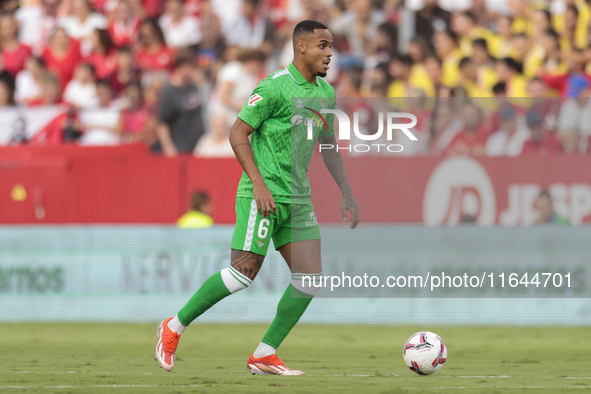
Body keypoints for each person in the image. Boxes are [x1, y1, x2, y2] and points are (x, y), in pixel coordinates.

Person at [155, 20, 360, 375]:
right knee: (241, 274)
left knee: (309, 278)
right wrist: (258, 182)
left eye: (331, 47)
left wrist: (346, 190)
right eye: (323, 46)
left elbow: (328, 146)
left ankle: (264, 353)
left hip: (298, 200)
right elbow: (238, 132)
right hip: (261, 195)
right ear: (301, 47)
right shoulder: (275, 87)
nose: (330, 54)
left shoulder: (326, 93)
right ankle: (173, 327)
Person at [153, 55, 205, 156]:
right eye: (187, 67)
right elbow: (162, 122)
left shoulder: (193, 86)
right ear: (179, 68)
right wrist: (168, 147)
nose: (190, 70)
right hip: (180, 147)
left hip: (197, 147)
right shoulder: (169, 92)